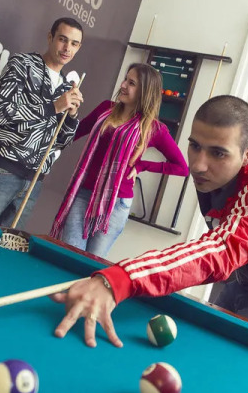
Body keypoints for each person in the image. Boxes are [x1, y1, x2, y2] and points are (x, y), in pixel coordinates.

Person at [51, 95, 248, 347]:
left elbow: (219, 251)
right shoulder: (220, 172)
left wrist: (119, 279)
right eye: (195, 146)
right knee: (201, 344)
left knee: (220, 362)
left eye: (218, 153)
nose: (199, 165)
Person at [50, 63, 188, 257]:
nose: (123, 85)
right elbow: (73, 134)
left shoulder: (153, 128)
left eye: (131, 83)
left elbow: (182, 168)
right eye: (125, 79)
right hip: (83, 193)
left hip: (116, 205)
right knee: (70, 255)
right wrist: (71, 114)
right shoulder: (106, 108)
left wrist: (141, 166)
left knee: (92, 262)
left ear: (145, 91)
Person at [0, 17, 85, 229]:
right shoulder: (22, 64)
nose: (67, 48)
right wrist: (53, 107)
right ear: (50, 37)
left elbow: (59, 143)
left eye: (74, 43)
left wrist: (71, 117)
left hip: (34, 182)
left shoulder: (67, 87)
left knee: (5, 247)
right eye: (62, 39)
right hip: (3, 171)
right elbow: (2, 113)